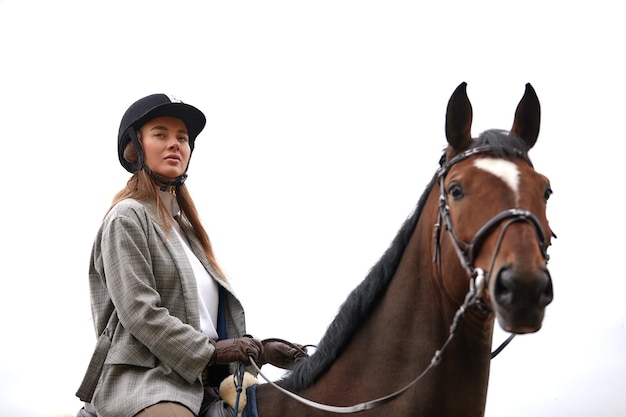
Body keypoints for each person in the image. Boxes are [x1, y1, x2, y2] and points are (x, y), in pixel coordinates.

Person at [75, 94, 306, 417]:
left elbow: (204, 321)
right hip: (148, 382)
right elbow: (141, 313)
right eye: (161, 134)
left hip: (206, 380)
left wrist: (258, 348)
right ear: (134, 148)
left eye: (181, 138)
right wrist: (212, 351)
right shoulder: (126, 217)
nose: (175, 144)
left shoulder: (188, 232)